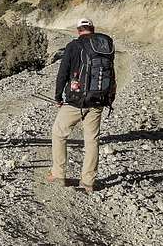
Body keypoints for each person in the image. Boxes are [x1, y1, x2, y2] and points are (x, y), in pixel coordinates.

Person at [47, 18, 117, 193]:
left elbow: (63, 72)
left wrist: (58, 96)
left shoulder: (73, 46)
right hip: (98, 100)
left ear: (78, 31)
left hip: (75, 101)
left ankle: (59, 173)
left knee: (58, 132)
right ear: (92, 29)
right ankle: (88, 182)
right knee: (92, 140)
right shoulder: (105, 46)